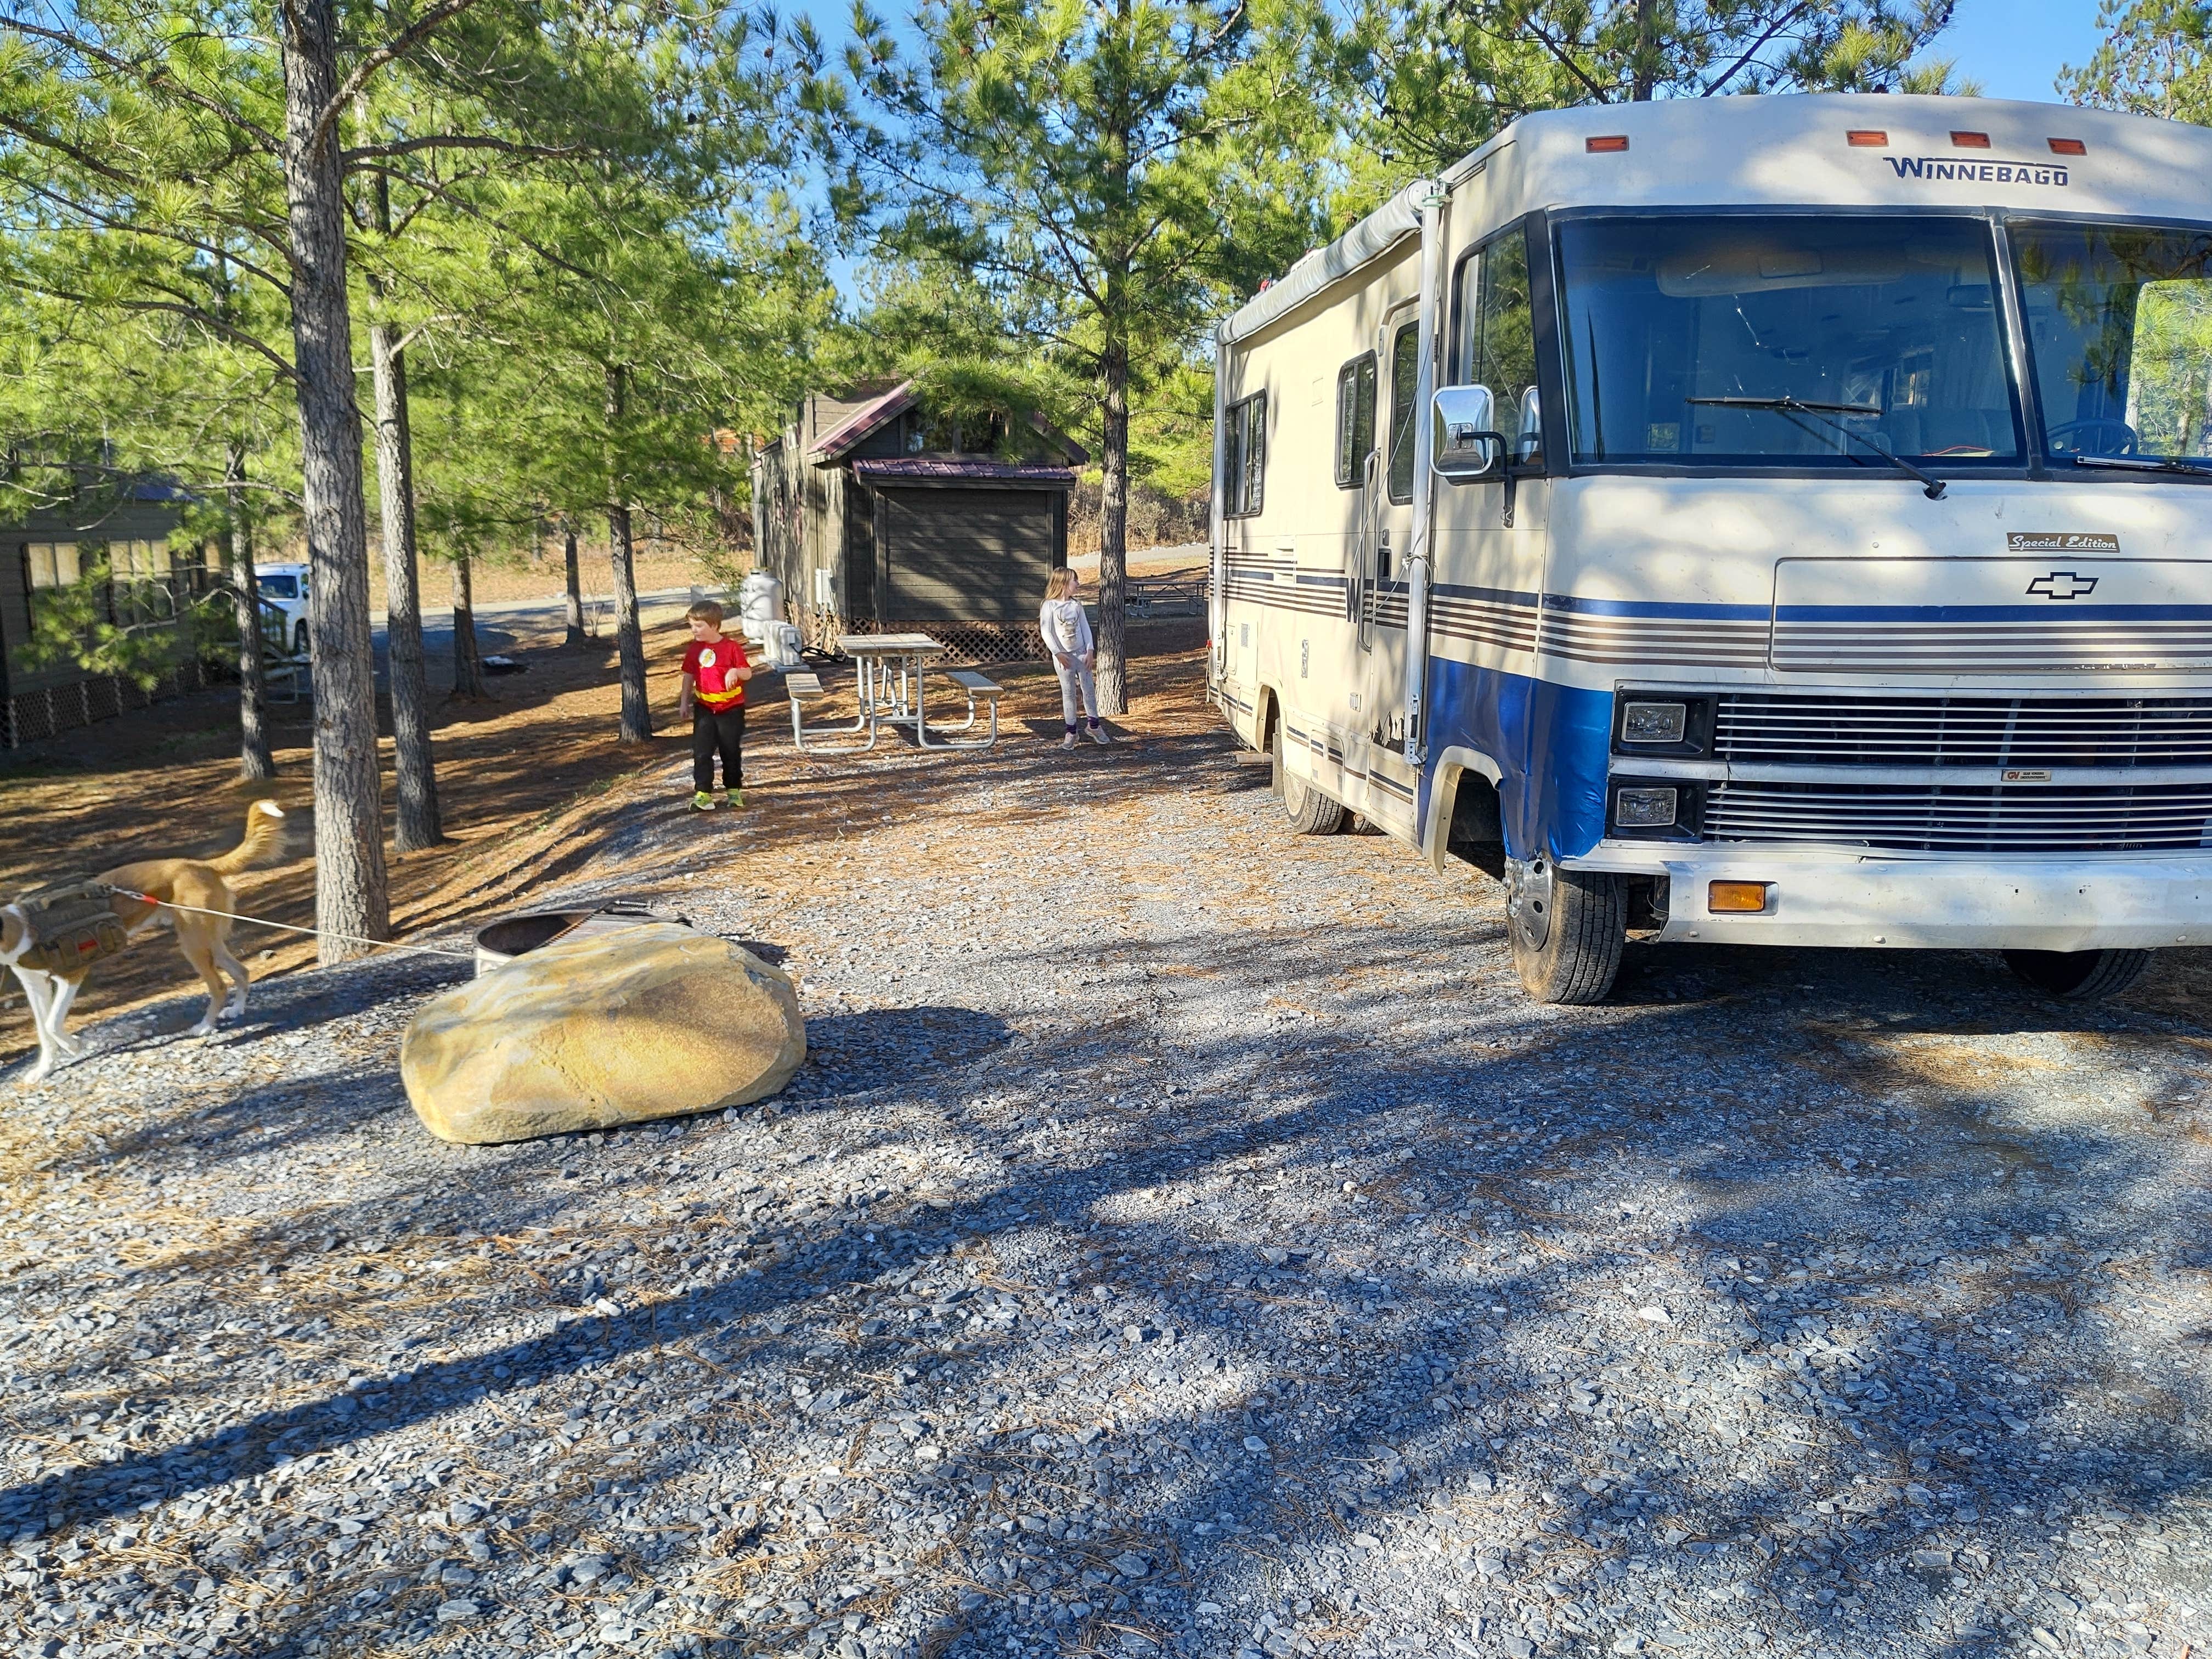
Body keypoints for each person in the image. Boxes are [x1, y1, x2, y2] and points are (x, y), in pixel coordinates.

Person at [677, 600, 753, 810]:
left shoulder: (731, 648)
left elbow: (747, 673)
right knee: (702, 751)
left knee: (730, 751)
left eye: (699, 626)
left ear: (714, 626)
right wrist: (684, 702)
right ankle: (703, 794)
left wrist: (735, 672)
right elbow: (688, 676)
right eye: (692, 626)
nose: (695, 630)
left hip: (731, 710)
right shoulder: (695, 650)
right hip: (705, 709)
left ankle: (734, 791)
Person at [1039, 568, 1110, 748]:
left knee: (1089, 689)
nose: (1078, 584)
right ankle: (1071, 732)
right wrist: (1058, 653)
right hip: (1064, 657)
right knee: (1069, 693)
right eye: (1074, 581)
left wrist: (1090, 650)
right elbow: (1046, 632)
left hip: (1081, 654)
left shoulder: (1076, 605)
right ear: (1063, 584)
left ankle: (1094, 726)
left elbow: (1085, 628)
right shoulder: (1049, 605)